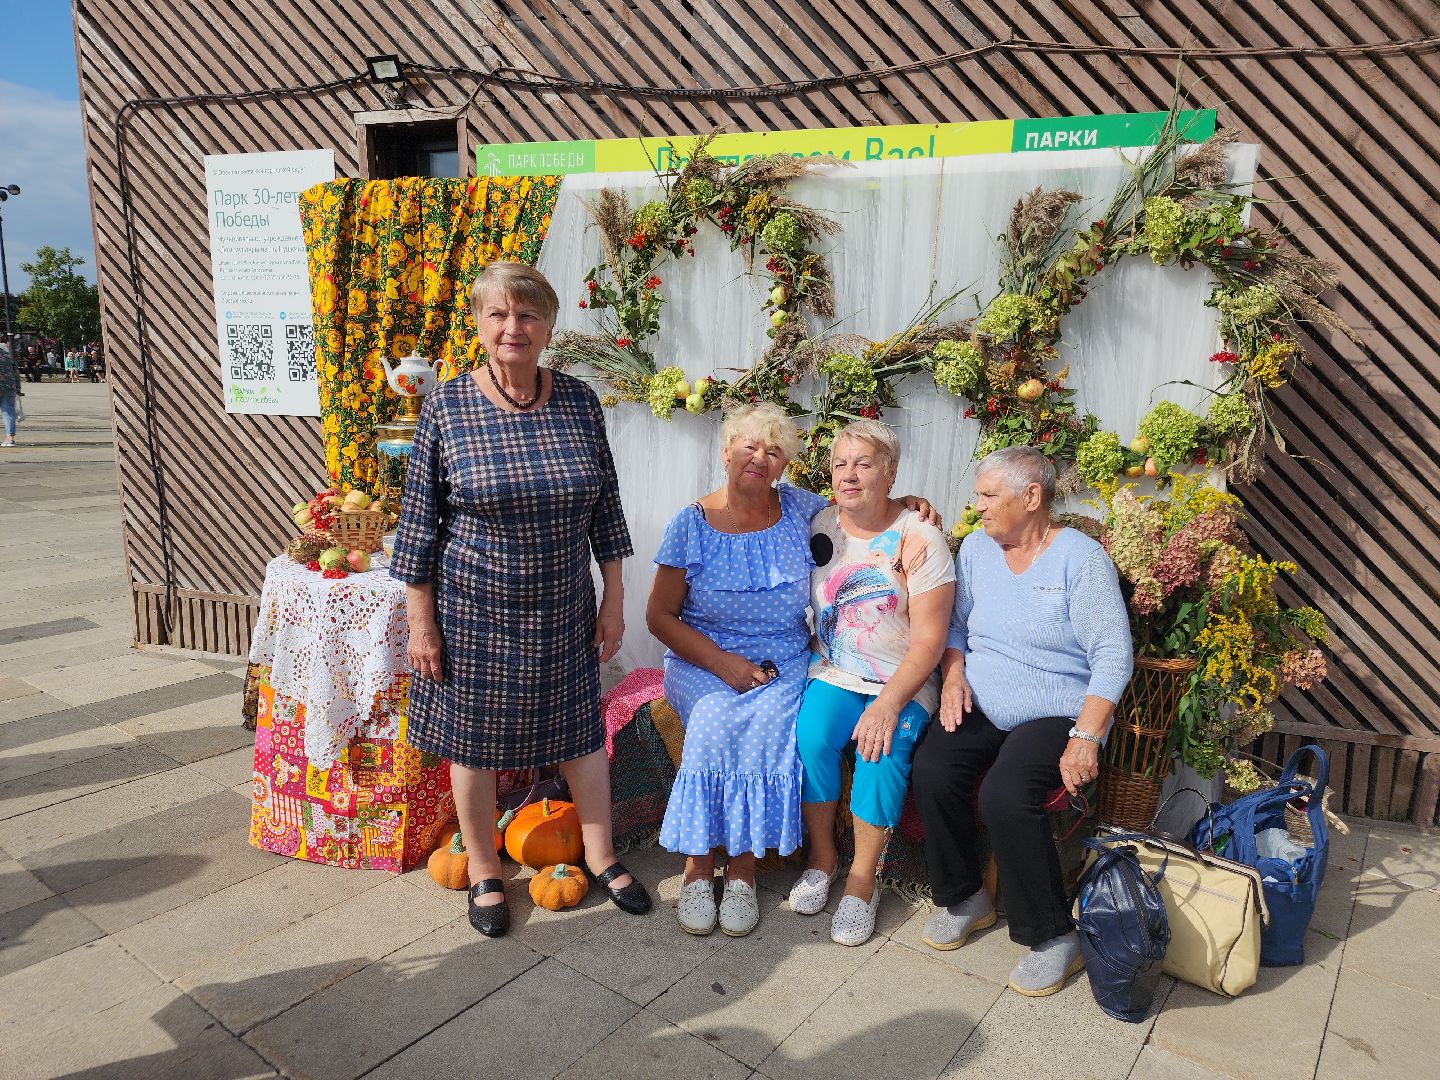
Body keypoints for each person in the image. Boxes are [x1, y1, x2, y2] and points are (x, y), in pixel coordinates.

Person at [390, 261, 651, 938]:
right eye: (499, 315)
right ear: (478, 324)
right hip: (472, 613)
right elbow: (419, 527)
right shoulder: (446, 407)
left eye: (528, 315)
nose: (514, 328)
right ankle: (483, 868)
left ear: (549, 326)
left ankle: (598, 854)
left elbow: (607, 513)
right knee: (474, 746)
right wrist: (423, 625)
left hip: (564, 606)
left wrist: (613, 600)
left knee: (579, 735)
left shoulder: (577, 401)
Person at [911, 445, 1133, 997]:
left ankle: (1054, 936)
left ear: (1031, 497)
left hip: (1055, 708)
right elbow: (956, 628)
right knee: (933, 769)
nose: (978, 507)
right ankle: (966, 897)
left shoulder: (1079, 559)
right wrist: (955, 674)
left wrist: (1085, 736)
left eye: (989, 496)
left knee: (1007, 795)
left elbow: (1112, 655)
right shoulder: (977, 553)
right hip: (982, 696)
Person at [647, 403, 825, 938]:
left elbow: (868, 517)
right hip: (703, 655)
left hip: (783, 657)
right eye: (749, 445)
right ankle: (699, 867)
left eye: (774, 451)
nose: (760, 457)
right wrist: (723, 664)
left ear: (784, 464)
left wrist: (911, 504)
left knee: (769, 722)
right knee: (714, 719)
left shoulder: (804, 511)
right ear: (726, 452)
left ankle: (744, 872)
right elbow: (658, 616)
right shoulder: (692, 523)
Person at [788, 420, 955, 946]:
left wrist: (888, 703)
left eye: (864, 464)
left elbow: (929, 641)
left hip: (903, 679)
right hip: (836, 670)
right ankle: (822, 857)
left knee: (881, 751)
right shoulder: (816, 522)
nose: (849, 475)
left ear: (890, 473)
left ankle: (863, 880)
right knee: (811, 738)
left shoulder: (920, 537)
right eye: (841, 464)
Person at [0, 345, 19, 447]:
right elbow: (16, 371)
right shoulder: (7, 354)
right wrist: (18, 388)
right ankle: (10, 438)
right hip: (9, 385)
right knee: (8, 411)